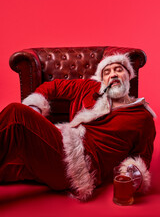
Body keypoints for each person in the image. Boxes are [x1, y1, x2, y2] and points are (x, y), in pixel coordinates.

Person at [0, 52, 156, 201]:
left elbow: (142, 158)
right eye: (107, 72)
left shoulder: (143, 117)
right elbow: (53, 87)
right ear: (102, 80)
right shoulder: (90, 89)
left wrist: (134, 174)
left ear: (129, 75)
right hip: (57, 150)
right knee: (6, 169)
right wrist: (34, 108)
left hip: (80, 168)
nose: (113, 74)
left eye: (118, 70)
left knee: (16, 113)